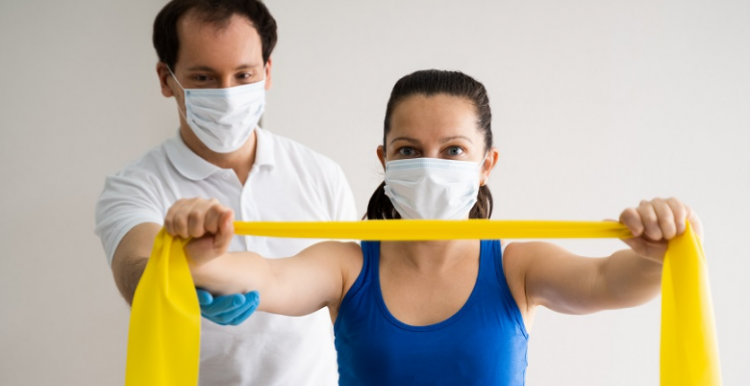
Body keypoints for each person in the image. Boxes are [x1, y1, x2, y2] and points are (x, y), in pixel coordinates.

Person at [165, 69, 703, 385]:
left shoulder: (518, 267)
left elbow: (611, 281)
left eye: (453, 150)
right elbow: (266, 276)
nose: (430, 164)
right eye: (409, 150)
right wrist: (201, 255)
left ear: (486, 162)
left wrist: (663, 246)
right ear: (383, 159)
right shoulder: (347, 267)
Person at [94, 0, 356, 384]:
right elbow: (135, 269)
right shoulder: (136, 185)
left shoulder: (321, 174)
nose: (228, 94)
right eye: (203, 78)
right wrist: (181, 266)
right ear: (166, 79)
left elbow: (346, 302)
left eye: (243, 74)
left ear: (267, 72)